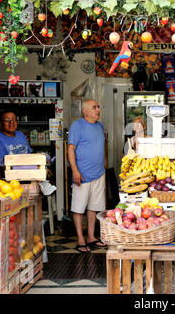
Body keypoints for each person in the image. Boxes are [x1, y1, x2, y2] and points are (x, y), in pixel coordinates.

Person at [67, 99, 107, 253]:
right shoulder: (78, 126)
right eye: (94, 107)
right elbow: (71, 149)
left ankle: (91, 236)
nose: (98, 110)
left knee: (94, 207)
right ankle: (80, 239)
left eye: (98, 107)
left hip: (98, 173)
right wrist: (75, 170)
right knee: (78, 207)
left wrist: (104, 161)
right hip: (82, 174)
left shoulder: (100, 126)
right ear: (85, 111)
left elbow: (102, 144)